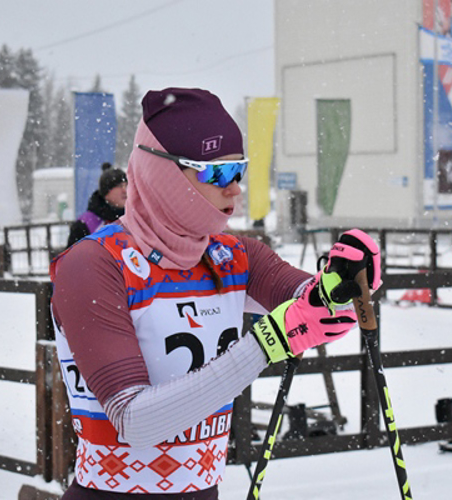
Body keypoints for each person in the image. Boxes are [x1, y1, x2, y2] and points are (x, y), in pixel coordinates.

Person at [50, 87, 382, 499]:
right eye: (216, 173)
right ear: (164, 174)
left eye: (238, 170)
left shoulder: (233, 255)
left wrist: (347, 283)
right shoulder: (92, 264)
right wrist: (268, 343)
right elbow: (136, 423)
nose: (235, 188)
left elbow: (318, 310)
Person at [66, 163, 127, 248]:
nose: (125, 190)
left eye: (126, 185)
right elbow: (72, 259)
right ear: (106, 192)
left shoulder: (134, 219)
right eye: (119, 186)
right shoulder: (85, 224)